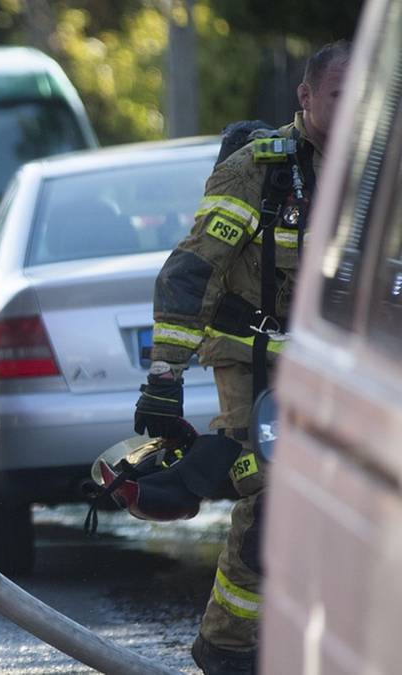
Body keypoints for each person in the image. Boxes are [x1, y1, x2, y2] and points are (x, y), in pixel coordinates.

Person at [135, 40, 350, 675]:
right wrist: (164, 380)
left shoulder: (380, 172)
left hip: (345, 366)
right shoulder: (258, 170)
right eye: (341, 96)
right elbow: (190, 274)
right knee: (273, 492)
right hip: (255, 356)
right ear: (305, 98)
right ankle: (227, 648)